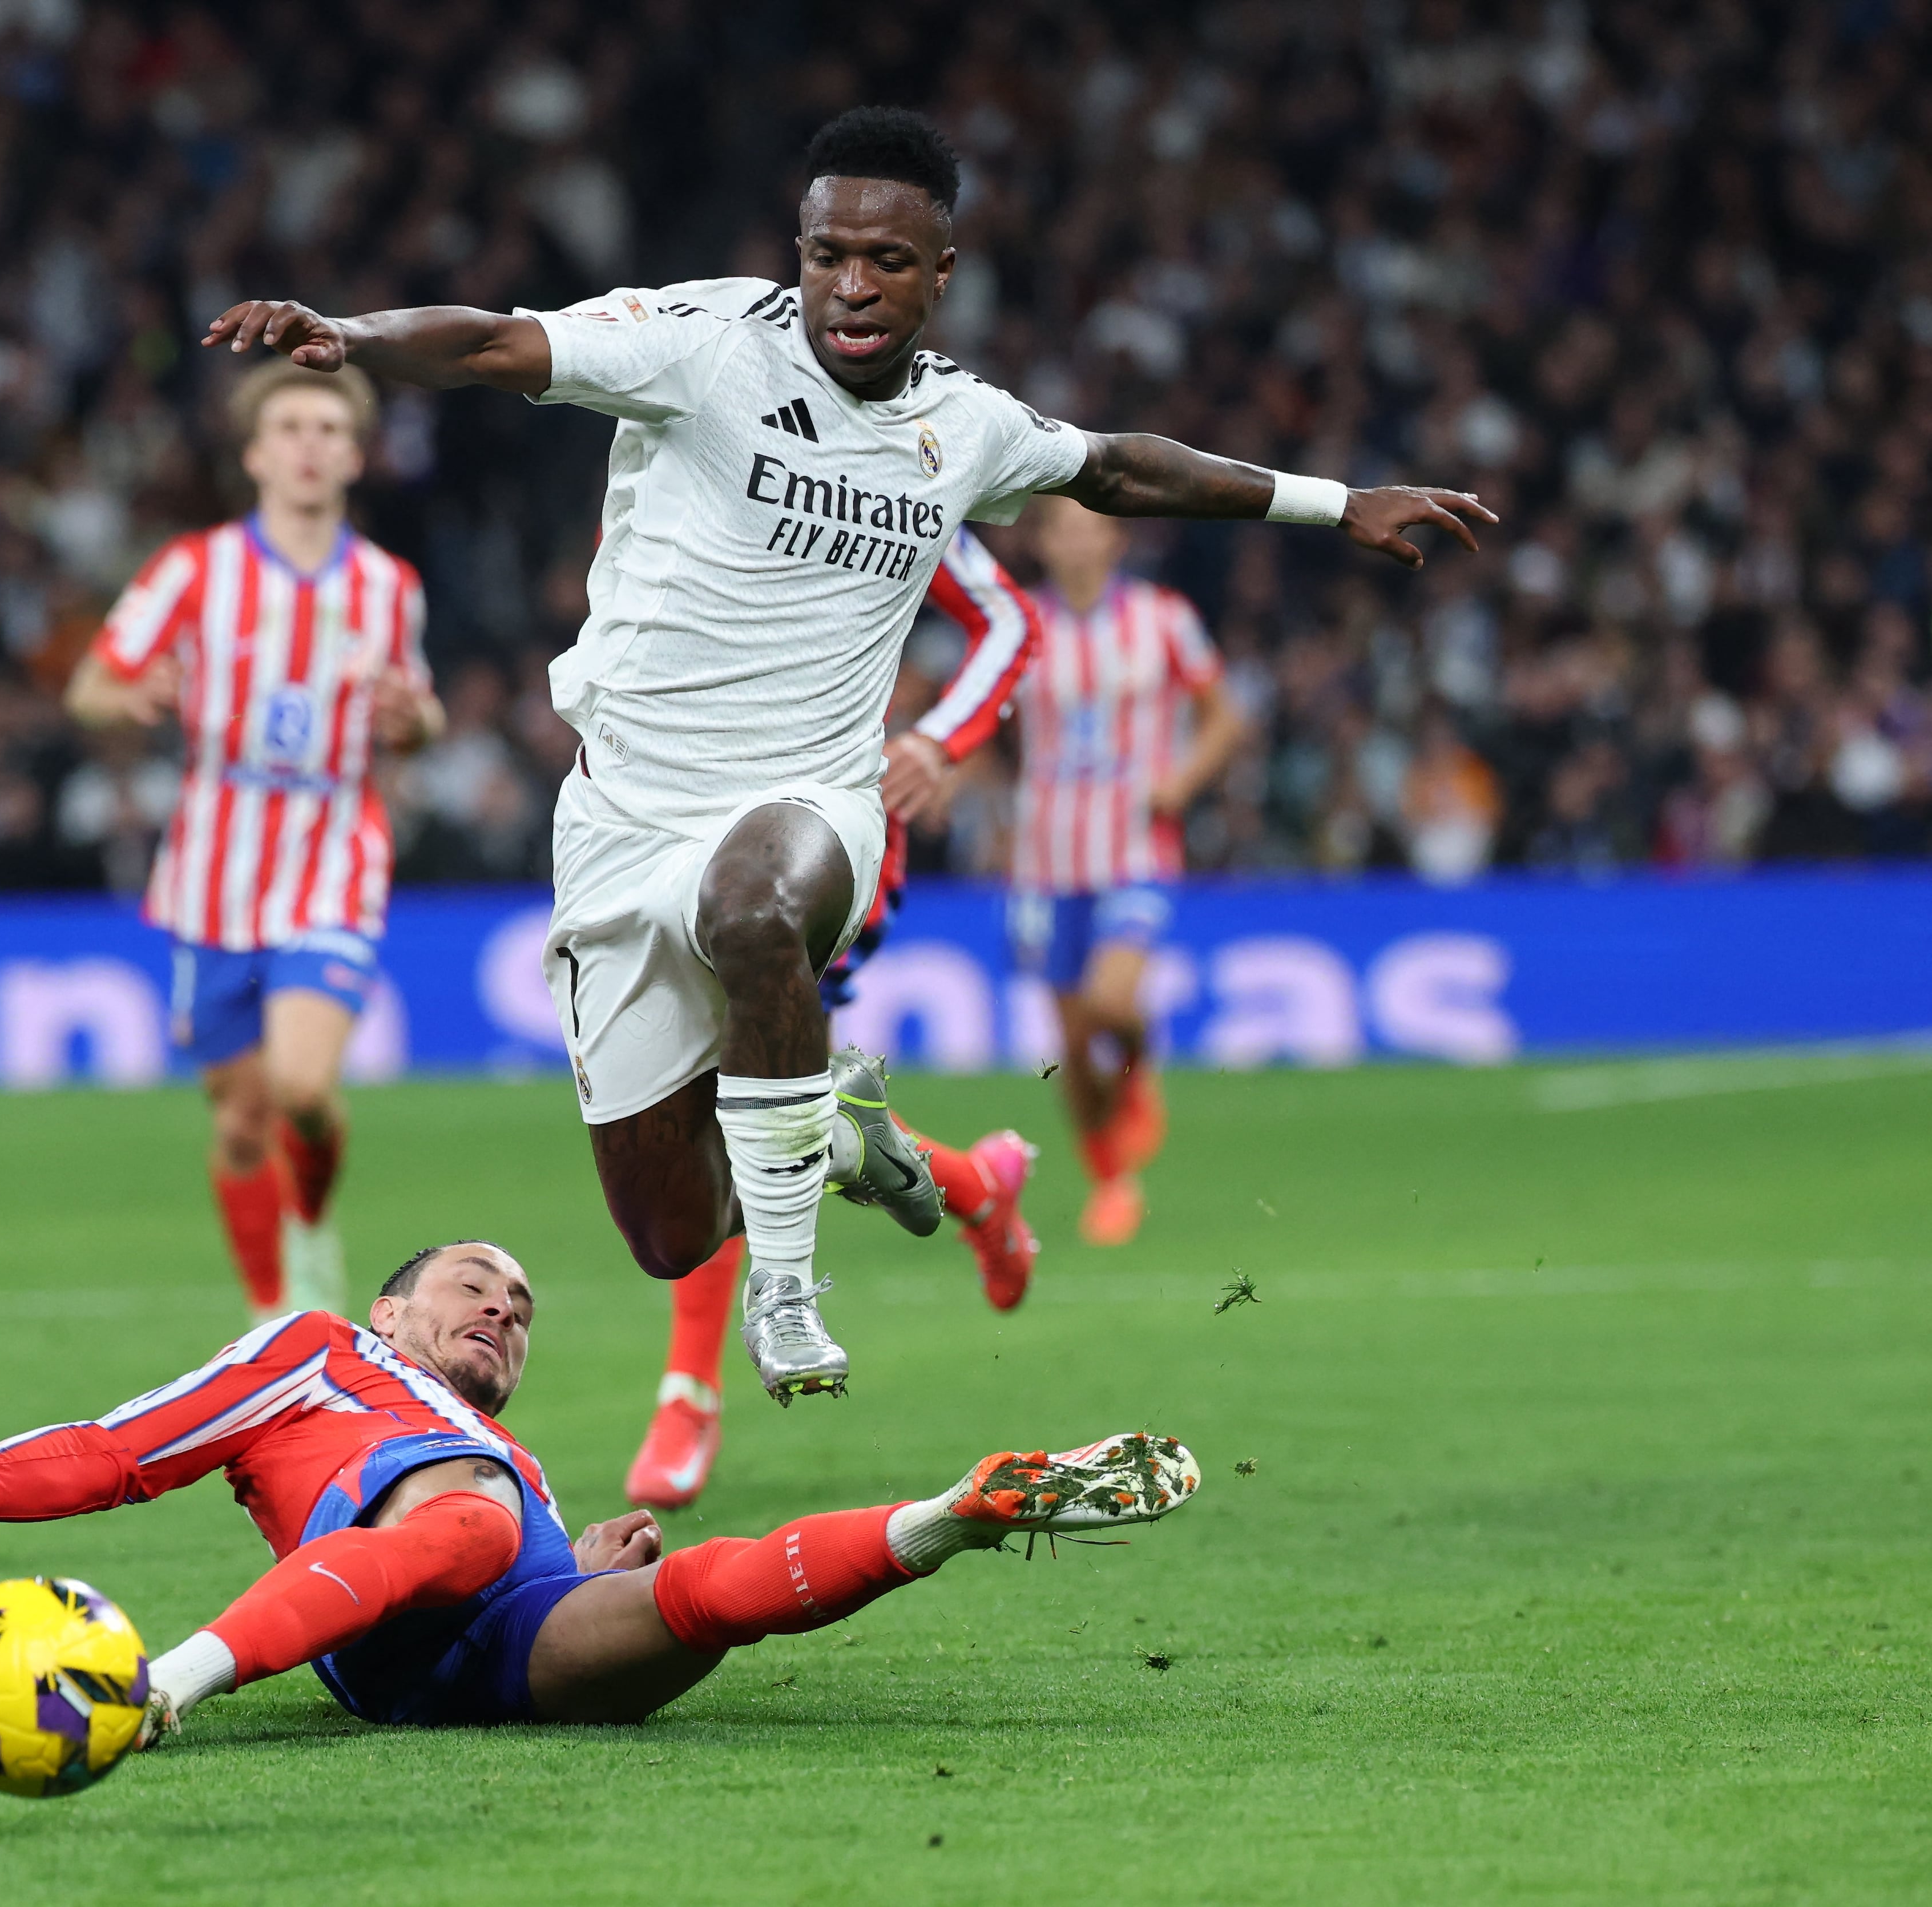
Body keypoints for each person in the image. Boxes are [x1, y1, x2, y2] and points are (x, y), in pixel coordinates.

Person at [201, 106, 1490, 1402]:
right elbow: (491, 342)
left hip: (810, 800)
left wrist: (1333, 502)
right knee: (666, 1233)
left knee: (759, 904)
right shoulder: (700, 347)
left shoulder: (962, 428)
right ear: (800, 252)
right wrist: (351, 338)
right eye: (830, 255)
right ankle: (832, 1126)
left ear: (940, 275)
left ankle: (788, 1291)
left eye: (887, 260)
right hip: (622, 823)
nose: (853, 285)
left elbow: (1114, 471)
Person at [0, 1239, 1199, 1739]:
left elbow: (502, 1559)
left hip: (494, 1644)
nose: (506, 1311)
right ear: (392, 1313)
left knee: (693, 1597)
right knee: (461, 1508)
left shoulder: (506, 1452)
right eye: (477, 1284)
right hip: (388, 1609)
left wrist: (577, 1563)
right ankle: (169, 1682)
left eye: (523, 1308)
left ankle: (950, 1515)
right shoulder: (316, 1354)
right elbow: (116, 1448)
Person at [626, 525, 1047, 1510]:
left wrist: (941, 740)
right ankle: (978, 1186)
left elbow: (1006, 619)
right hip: (673, 812)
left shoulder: (886, 468)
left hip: (824, 818)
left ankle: (688, 1394)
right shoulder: (658, 455)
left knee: (728, 1085)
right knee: (745, 1099)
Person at [66, 362, 444, 1321]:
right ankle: (272, 1308)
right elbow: (91, 686)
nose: (310, 444)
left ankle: (309, 1219)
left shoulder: (387, 586)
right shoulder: (194, 570)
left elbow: (417, 719)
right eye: (290, 427)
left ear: (355, 455)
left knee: (303, 1088)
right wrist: (133, 695)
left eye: (328, 428)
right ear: (256, 454)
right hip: (214, 868)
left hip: (333, 850)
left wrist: (415, 721)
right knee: (240, 1120)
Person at [1010, 498, 1249, 1248]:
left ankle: (1139, 1066)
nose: (1078, 542)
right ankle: (1113, 1183)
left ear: (1117, 538)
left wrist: (1182, 780)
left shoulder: (1163, 617)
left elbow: (1226, 715)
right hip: (1046, 856)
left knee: (1113, 1002)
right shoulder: (1017, 627)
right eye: (1063, 529)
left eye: (1092, 528)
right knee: (1072, 1046)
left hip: (1136, 846)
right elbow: (984, 723)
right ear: (1043, 543)